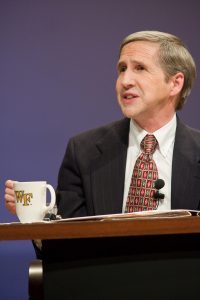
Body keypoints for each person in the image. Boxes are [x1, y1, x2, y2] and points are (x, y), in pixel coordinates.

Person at [5, 30, 200, 219]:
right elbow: (67, 242)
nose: (125, 80)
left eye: (140, 68)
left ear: (175, 83)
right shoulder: (83, 152)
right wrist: (36, 215)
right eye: (122, 69)